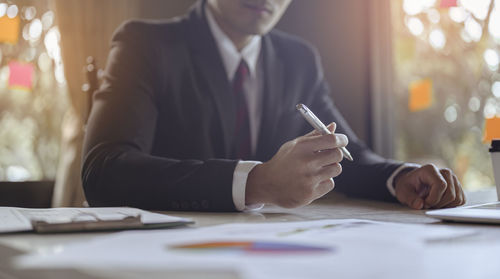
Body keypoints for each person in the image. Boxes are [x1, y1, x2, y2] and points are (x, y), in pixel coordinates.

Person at [82, 0, 465, 212]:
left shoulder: (298, 59)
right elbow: (104, 169)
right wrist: (257, 182)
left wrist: (399, 177)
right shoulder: (145, 45)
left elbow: (345, 157)